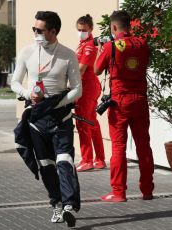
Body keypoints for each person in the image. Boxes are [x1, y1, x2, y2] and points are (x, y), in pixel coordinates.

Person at [11, 11, 82, 227]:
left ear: (53, 31)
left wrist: (54, 103)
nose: (35, 33)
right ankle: (57, 204)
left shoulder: (68, 54)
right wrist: (28, 95)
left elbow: (78, 89)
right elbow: (14, 82)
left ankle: (69, 205)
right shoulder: (27, 52)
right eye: (34, 29)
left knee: (64, 161)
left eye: (39, 30)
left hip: (61, 118)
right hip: (36, 119)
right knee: (46, 165)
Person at [94, 10, 154, 202]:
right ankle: (147, 190)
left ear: (113, 27)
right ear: (130, 25)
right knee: (144, 146)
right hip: (140, 99)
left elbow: (96, 70)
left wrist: (101, 50)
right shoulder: (142, 43)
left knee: (119, 147)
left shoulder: (111, 46)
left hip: (120, 101)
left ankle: (118, 192)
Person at [75, 14, 106, 172]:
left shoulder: (88, 46)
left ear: (91, 29)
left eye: (84, 30)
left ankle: (87, 160)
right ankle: (99, 159)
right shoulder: (83, 43)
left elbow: (80, 69)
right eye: (79, 29)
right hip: (88, 87)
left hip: (86, 89)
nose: (81, 32)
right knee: (92, 123)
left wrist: (69, 87)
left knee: (82, 124)